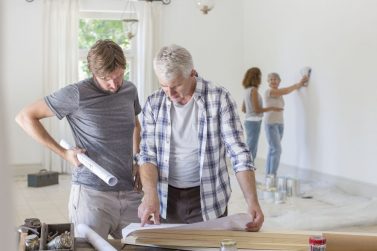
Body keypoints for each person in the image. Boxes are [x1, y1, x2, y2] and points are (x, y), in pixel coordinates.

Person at [15, 39, 143, 239]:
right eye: (106, 79)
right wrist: (64, 153)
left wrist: (138, 161)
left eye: (118, 76)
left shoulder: (129, 90)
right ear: (93, 73)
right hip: (92, 194)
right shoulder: (76, 94)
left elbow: (135, 125)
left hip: (130, 192)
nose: (114, 84)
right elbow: (25, 117)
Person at [137, 44, 264, 231]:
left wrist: (252, 201)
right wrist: (150, 194)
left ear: (192, 73)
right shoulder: (153, 103)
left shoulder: (219, 98)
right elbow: (148, 155)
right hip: (165, 197)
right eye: (164, 86)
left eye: (176, 85)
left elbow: (239, 153)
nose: (170, 94)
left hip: (209, 196)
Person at [264, 72, 308, 176]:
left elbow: (285, 91)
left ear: (279, 81)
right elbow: (286, 91)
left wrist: (300, 85)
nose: (273, 81)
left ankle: (269, 175)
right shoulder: (269, 92)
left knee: (272, 149)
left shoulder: (279, 94)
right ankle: (272, 175)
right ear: (268, 82)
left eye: (275, 79)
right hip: (271, 124)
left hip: (280, 124)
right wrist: (299, 83)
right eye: (271, 79)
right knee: (277, 149)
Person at [241, 67, 282, 161]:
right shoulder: (254, 90)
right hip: (254, 122)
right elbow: (257, 109)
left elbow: (243, 109)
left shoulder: (247, 90)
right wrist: (272, 108)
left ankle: (247, 166)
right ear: (256, 77)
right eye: (259, 75)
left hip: (248, 121)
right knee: (252, 147)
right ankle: (248, 167)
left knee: (250, 144)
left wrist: (250, 110)